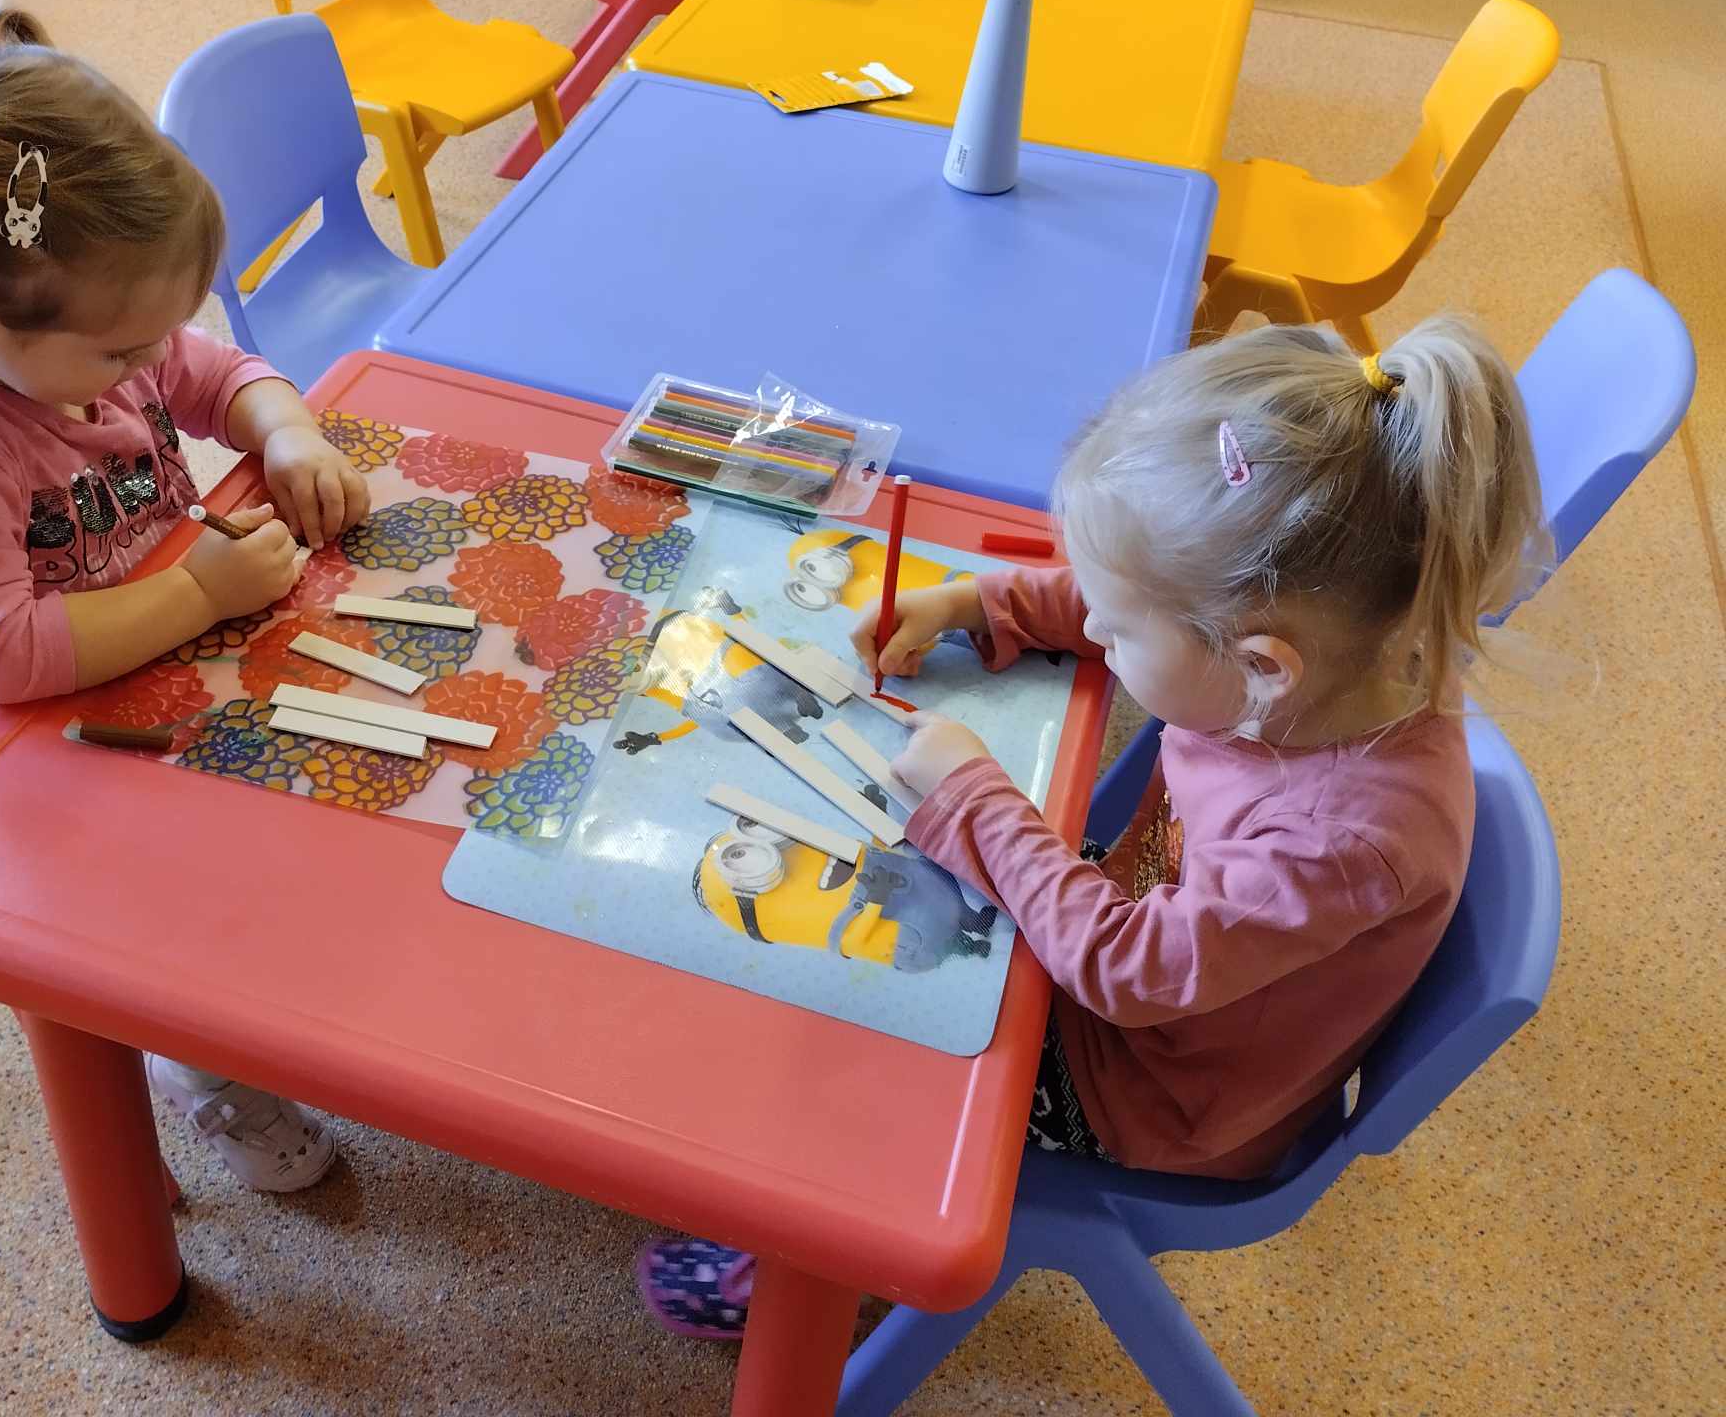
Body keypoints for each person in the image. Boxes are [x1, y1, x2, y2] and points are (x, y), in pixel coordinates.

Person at [637, 317, 1546, 1335]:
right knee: (871, 912)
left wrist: (975, 800)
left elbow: (1130, 968)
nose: (1100, 630)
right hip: (1151, 956)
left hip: (1143, 1094)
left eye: (1118, 632)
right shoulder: (1324, 666)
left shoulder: (1344, 839)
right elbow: (1152, 598)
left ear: (1260, 666)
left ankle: (797, 1272)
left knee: (849, 1028)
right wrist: (985, 603)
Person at [0, 0, 372, 1192]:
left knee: (342, 749)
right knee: (171, 894)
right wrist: (201, 595)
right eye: (123, 352)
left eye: (157, 334)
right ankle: (197, 1058)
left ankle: (264, 958)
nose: (149, 363)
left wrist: (289, 432)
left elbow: (219, 371)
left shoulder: (92, 327)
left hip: (150, 645)